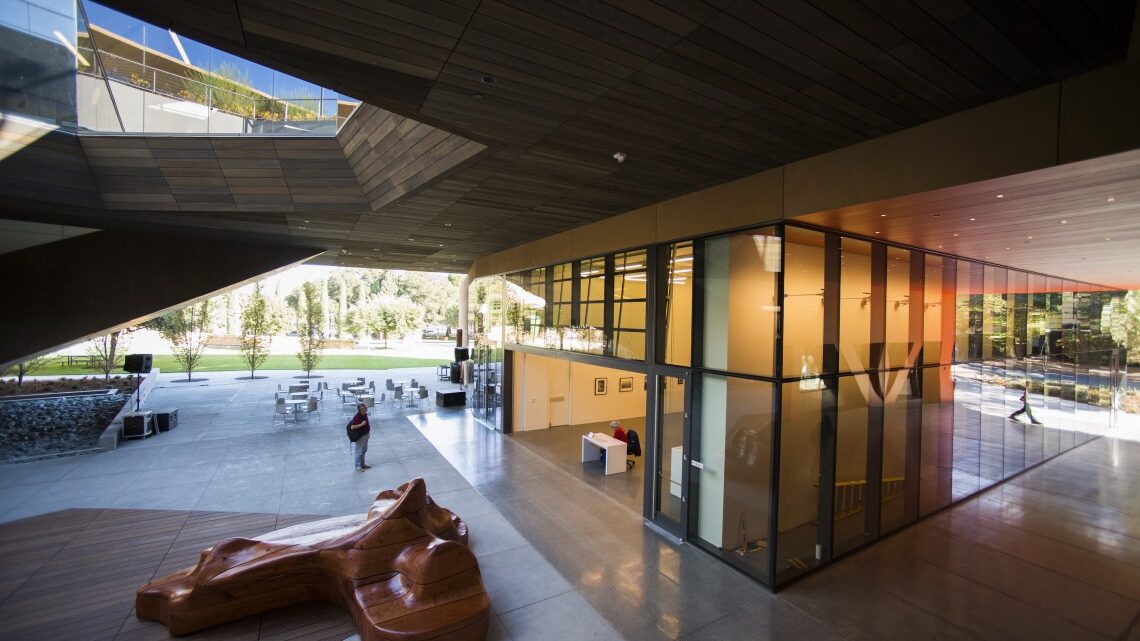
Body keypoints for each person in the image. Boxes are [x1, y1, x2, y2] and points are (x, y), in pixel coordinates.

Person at [349, 403, 371, 471]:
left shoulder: (365, 414)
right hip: (361, 437)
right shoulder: (357, 417)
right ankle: (357, 466)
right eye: (365, 407)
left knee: (364, 450)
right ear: (361, 409)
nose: (366, 408)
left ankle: (362, 464)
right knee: (358, 451)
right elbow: (352, 427)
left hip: (366, 435)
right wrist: (361, 424)